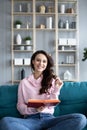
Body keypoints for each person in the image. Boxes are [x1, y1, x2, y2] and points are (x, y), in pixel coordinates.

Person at [0, 50, 86, 130]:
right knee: (6, 121)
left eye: (44, 61)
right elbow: (20, 106)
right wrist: (35, 110)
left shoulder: (51, 80)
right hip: (30, 120)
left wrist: (57, 89)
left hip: (49, 119)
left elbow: (52, 104)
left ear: (47, 64)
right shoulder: (24, 83)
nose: (41, 63)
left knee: (80, 118)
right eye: (38, 60)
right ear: (33, 61)